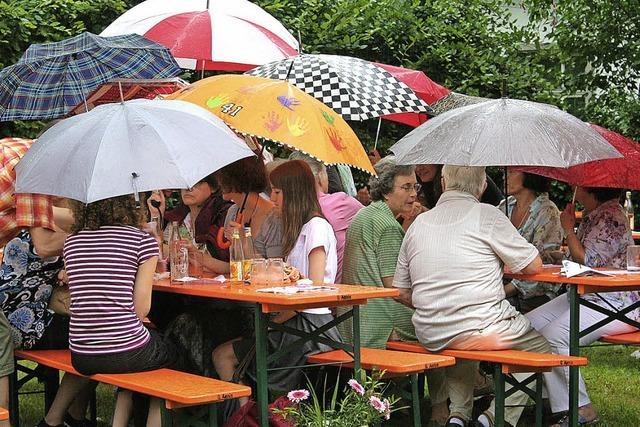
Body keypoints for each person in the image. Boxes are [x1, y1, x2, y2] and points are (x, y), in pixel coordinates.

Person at [393, 165, 550, 427]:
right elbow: (533, 265)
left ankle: (458, 416)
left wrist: (435, 305)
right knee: (541, 350)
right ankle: (494, 418)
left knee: (459, 340)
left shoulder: (419, 223)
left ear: (443, 182)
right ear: (483, 186)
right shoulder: (487, 215)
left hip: (431, 332)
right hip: (481, 328)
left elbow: (401, 290)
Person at [212, 160, 342, 400]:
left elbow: (314, 289)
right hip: (294, 323)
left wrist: (277, 317)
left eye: (278, 192)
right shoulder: (300, 227)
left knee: (227, 357)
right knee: (225, 354)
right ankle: (250, 415)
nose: (272, 197)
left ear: (294, 192)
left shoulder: (316, 227)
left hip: (310, 329)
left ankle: (253, 415)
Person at [526, 186, 637, 427]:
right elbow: (582, 257)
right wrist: (561, 255)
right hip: (586, 295)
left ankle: (581, 408)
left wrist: (567, 227)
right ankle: (546, 400)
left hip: (616, 301)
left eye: (578, 186)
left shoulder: (611, 216)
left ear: (591, 189)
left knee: (556, 337)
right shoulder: (595, 214)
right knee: (528, 327)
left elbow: (589, 260)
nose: (574, 190)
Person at [64, 194, 176, 427]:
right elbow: (141, 308)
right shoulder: (141, 240)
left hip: (81, 353)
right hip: (124, 350)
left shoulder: (72, 241)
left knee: (140, 359)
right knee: (175, 355)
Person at [0, 137, 89, 427]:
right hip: (22, 322)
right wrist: (103, 229)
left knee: (90, 326)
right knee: (97, 337)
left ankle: (73, 417)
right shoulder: (36, 177)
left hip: (22, 308)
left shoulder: (34, 207)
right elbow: (45, 246)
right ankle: (57, 420)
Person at [289, 152, 363, 282]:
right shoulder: (340, 203)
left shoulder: (289, 208)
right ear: (320, 176)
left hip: (307, 289)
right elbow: (370, 215)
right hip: (334, 287)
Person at [498, 171, 563, 312]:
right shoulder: (505, 206)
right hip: (501, 286)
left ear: (529, 175)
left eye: (511, 172)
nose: (505, 176)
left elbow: (541, 265)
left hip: (533, 295)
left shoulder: (548, 212)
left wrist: (498, 293)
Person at [148, 173, 233, 273]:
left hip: (217, 286)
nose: (188, 188)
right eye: (185, 183)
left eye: (197, 182)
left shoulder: (223, 216)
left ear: (213, 187)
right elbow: (158, 253)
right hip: (177, 285)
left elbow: (232, 267)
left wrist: (197, 256)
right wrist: (157, 215)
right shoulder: (176, 218)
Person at [217, 156, 283, 259]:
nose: (219, 182)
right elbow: (232, 264)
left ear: (235, 179)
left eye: (222, 177)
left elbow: (275, 269)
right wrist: (201, 259)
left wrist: (244, 242)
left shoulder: (274, 219)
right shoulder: (233, 212)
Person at [416, 164, 504, 209]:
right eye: (415, 164)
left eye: (423, 162)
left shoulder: (465, 174)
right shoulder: (425, 185)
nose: (419, 168)